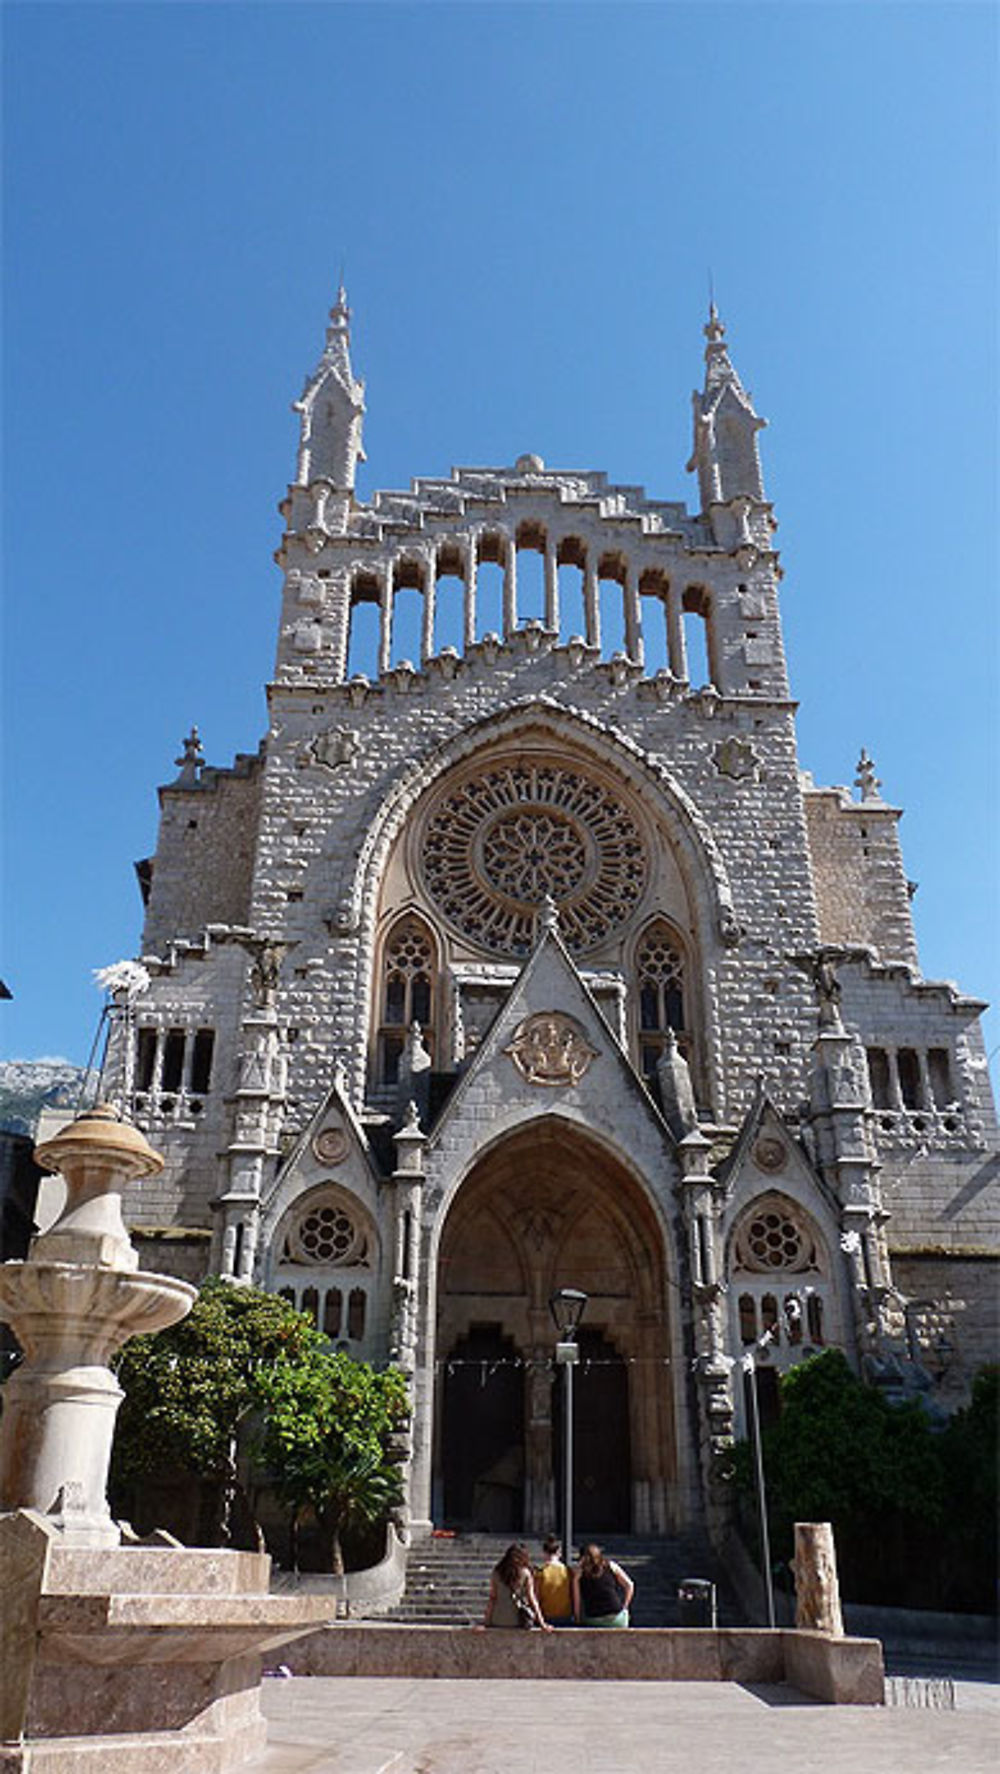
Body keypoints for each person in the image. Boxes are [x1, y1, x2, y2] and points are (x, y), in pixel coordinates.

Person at [483, 1542, 552, 1630]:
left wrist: (486, 1622)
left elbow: (492, 1598)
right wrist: (542, 1623)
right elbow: (532, 1599)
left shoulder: (497, 1572)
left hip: (498, 1618)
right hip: (517, 1619)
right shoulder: (525, 1573)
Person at [572, 1543, 634, 1627]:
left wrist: (577, 1618)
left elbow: (577, 1601)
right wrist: (625, 1606)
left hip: (594, 1618)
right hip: (617, 1618)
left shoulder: (579, 1574)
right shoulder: (610, 1566)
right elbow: (629, 1585)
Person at [533, 1534, 573, 1624]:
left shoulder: (541, 1573)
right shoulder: (567, 1571)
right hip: (566, 1616)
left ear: (544, 1552)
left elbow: (536, 1597)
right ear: (559, 1552)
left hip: (547, 1617)